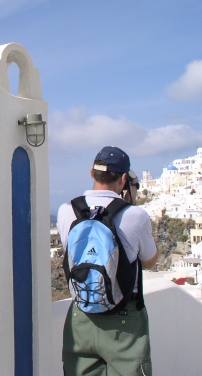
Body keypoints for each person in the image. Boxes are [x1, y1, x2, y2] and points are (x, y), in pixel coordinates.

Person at [58, 146, 158, 376]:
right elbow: (150, 261)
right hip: (124, 321)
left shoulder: (67, 211)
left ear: (92, 172)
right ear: (123, 179)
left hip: (81, 316)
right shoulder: (135, 216)